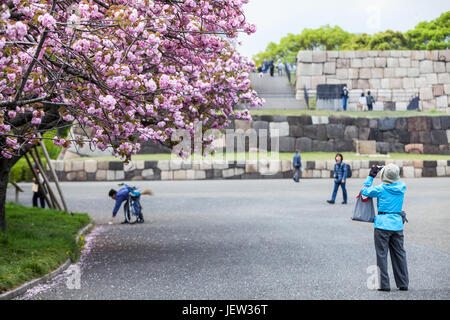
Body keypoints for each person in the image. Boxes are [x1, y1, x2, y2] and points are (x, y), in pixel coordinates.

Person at [361, 164, 409, 292]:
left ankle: (384, 285)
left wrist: (371, 176)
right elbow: (393, 176)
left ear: (384, 176)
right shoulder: (402, 187)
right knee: (399, 254)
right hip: (397, 225)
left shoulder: (380, 189)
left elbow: (364, 191)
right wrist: (386, 170)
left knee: (382, 255)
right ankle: (403, 283)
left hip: (382, 225)